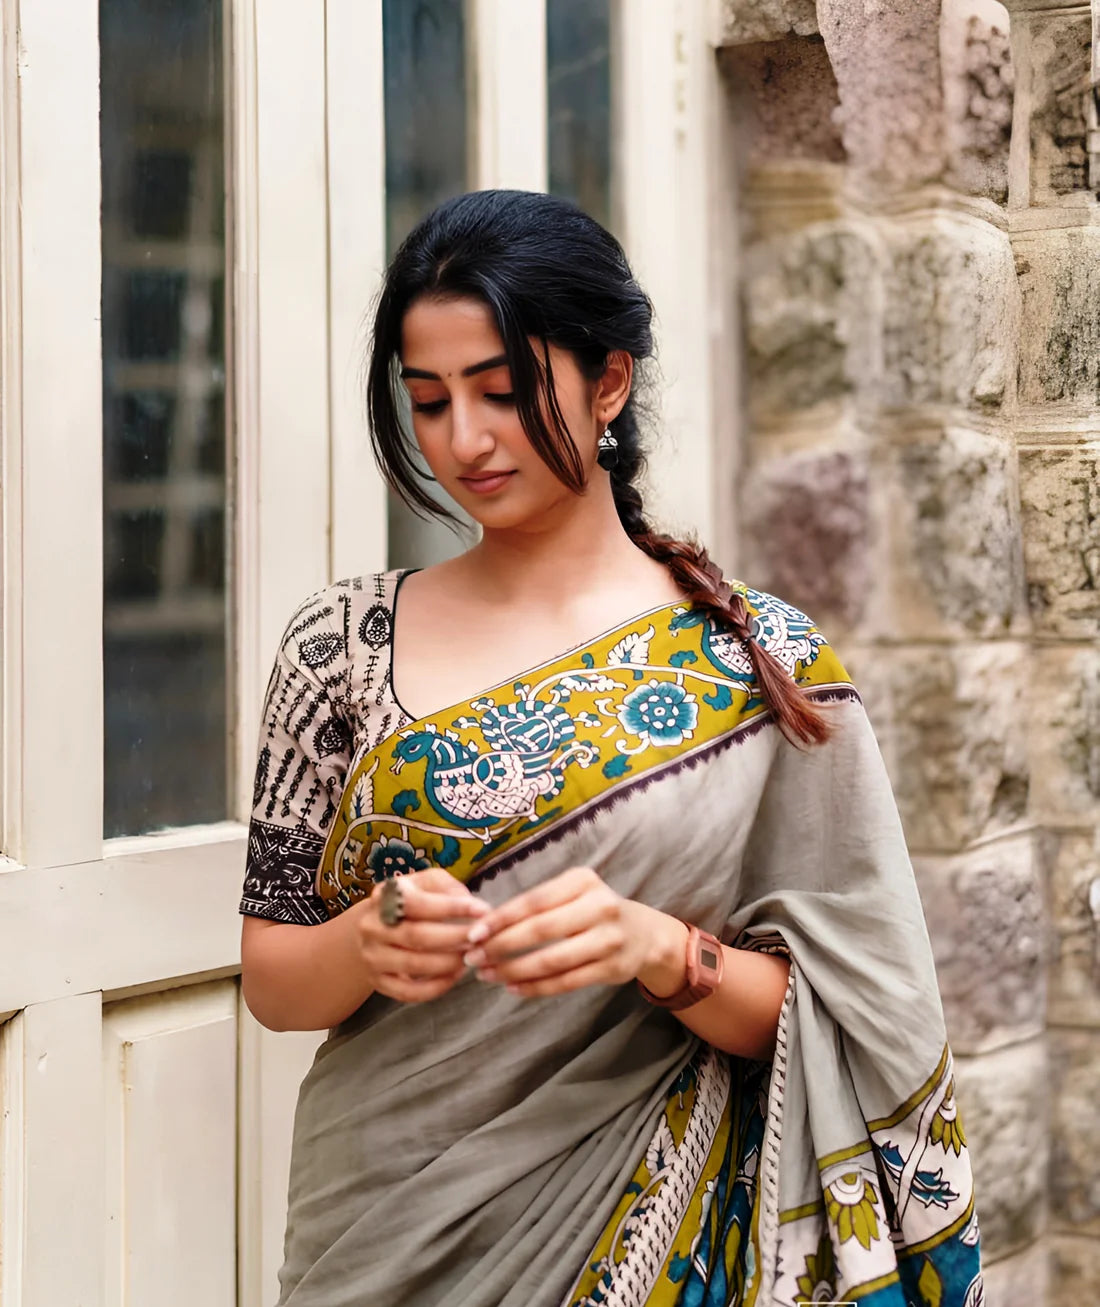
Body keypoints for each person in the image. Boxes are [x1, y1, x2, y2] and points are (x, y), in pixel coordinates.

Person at [239, 190, 982, 1307]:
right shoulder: (336, 649)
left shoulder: (750, 662)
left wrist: (656, 947)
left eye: (501, 389)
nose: (464, 439)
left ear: (609, 381)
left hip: (653, 1229)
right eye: (428, 399)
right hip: (376, 1229)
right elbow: (274, 980)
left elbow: (850, 1015)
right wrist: (371, 936)